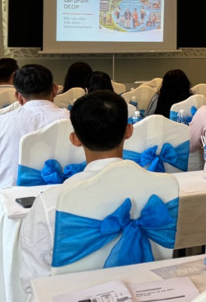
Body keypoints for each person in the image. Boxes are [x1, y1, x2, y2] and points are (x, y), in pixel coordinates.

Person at [18, 90, 134, 293]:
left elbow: (33, 283)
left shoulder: (52, 203)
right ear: (129, 131)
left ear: (74, 139)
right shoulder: (164, 190)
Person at [0, 64, 68, 301]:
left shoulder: (0, 123)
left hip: (15, 208)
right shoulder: (73, 120)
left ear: (18, 95)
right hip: (63, 202)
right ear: (55, 89)